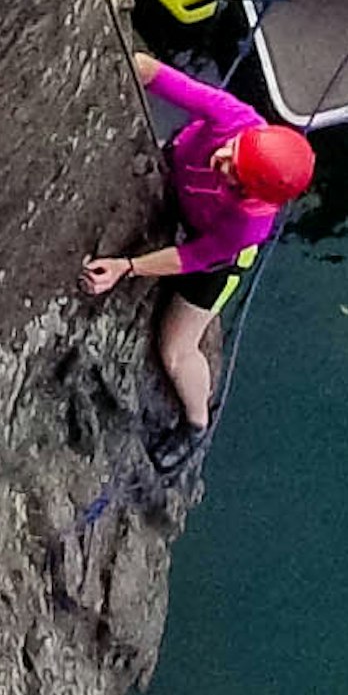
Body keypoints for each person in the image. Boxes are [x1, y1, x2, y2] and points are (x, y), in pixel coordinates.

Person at [82, 55, 316, 436]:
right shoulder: (236, 118)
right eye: (234, 150)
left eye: (233, 172)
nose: (222, 158)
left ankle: (196, 420)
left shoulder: (248, 225)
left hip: (215, 260)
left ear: (248, 192)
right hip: (177, 175)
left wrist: (126, 266)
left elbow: (193, 257)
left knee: (175, 349)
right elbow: (156, 73)